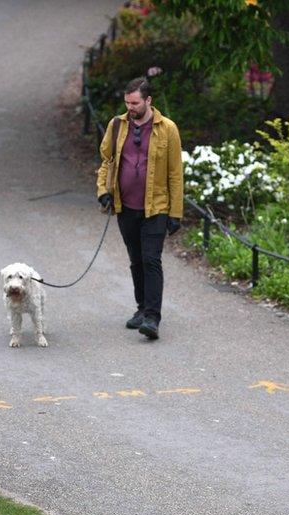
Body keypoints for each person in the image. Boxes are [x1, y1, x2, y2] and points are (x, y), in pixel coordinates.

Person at [96, 77, 183, 340]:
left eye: (135, 103)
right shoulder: (116, 125)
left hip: (156, 207)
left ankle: (152, 317)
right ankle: (141, 308)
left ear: (148, 100)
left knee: (151, 259)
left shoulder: (167, 129)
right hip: (125, 205)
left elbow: (176, 174)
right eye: (127, 103)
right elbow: (107, 161)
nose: (130, 108)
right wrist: (104, 191)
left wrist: (175, 213)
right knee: (136, 260)